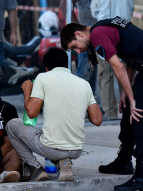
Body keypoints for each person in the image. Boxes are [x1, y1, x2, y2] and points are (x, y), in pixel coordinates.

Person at [60, 17, 143, 191]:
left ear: (78, 33)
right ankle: (124, 161)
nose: (79, 52)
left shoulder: (97, 34)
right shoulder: (102, 28)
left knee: (141, 116)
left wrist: (133, 99)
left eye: (75, 46)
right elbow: (131, 58)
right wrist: (125, 95)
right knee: (128, 108)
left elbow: (117, 66)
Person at [6, 48, 102, 182]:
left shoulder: (43, 78)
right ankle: (63, 164)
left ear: (46, 67)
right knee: (47, 133)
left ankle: (35, 168)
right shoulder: (84, 84)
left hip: (50, 148)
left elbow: (32, 113)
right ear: (66, 64)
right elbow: (97, 120)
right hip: (76, 150)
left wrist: (27, 91)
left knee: (12, 125)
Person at [90, 0, 134, 120]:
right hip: (123, 37)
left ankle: (110, 113)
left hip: (103, 38)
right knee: (124, 73)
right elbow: (131, 10)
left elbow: (94, 13)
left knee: (106, 75)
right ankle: (128, 110)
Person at [59, 0, 105, 103]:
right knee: (84, 72)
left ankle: (90, 105)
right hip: (85, 36)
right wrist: (77, 27)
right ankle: (77, 104)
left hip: (101, 34)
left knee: (97, 72)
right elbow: (64, 5)